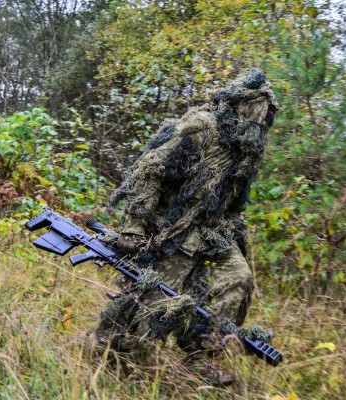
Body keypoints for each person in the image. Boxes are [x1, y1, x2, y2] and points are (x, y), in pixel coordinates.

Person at [92, 68, 277, 386]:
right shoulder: (202, 128)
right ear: (243, 105)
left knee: (238, 278)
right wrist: (135, 228)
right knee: (149, 303)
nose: (263, 120)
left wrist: (229, 230)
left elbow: (232, 200)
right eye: (260, 110)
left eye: (268, 114)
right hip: (171, 229)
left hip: (212, 232)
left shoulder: (246, 150)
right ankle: (108, 354)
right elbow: (150, 169)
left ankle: (200, 355)